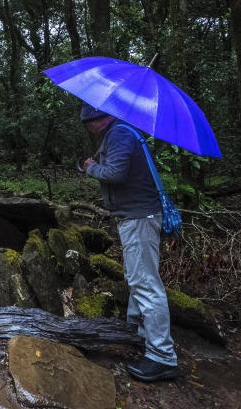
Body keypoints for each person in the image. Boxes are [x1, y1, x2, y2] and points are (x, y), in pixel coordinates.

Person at [80, 103, 180, 382]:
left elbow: (115, 173)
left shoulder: (120, 134)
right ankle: (138, 332)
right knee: (138, 278)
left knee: (146, 283)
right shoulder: (122, 132)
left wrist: (90, 167)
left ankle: (162, 356)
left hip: (138, 217)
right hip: (137, 215)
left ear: (98, 120)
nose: (87, 128)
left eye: (87, 123)